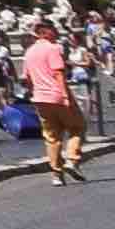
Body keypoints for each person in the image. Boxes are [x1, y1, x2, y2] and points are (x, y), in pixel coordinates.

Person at [23, 21, 83, 183]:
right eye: (53, 30)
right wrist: (65, 95)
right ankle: (72, 159)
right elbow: (58, 74)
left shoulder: (29, 52)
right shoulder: (53, 49)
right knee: (77, 127)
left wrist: (32, 93)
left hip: (40, 98)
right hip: (57, 95)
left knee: (51, 137)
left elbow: (26, 78)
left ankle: (56, 175)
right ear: (44, 32)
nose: (56, 32)